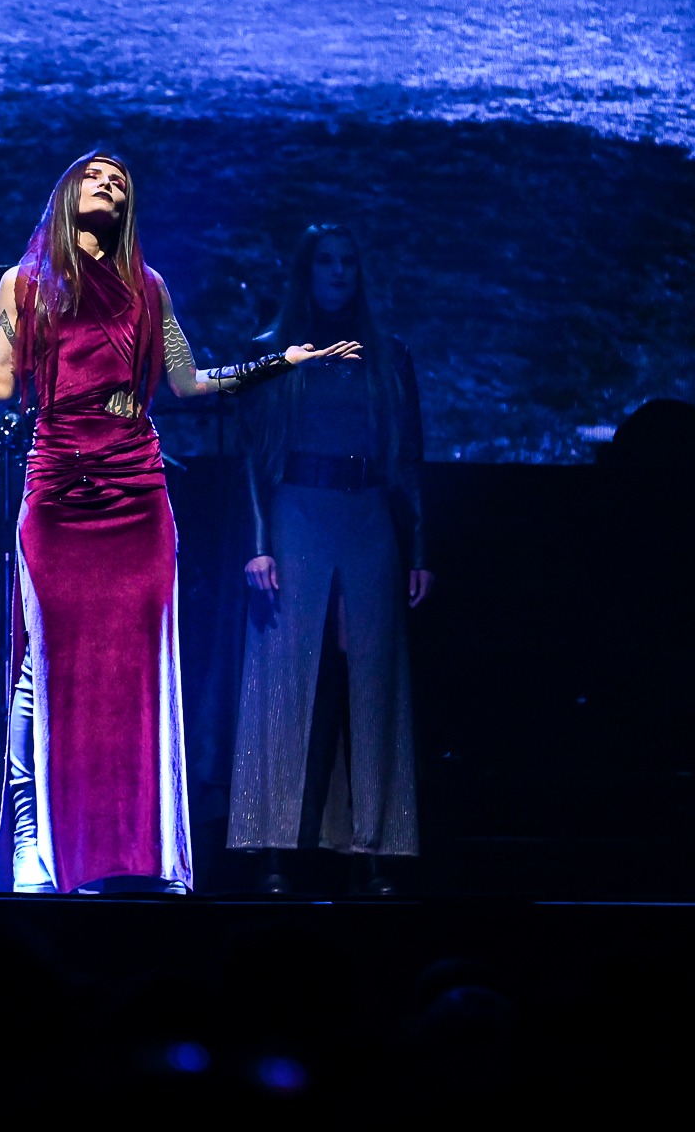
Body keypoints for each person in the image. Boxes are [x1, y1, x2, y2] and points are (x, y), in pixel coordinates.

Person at [0, 150, 358, 894]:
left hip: (136, 494)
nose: (108, 186)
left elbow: (188, 381)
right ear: (66, 193)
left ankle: (146, 855)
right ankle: (39, 853)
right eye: (95, 177)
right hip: (59, 492)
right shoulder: (23, 284)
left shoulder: (149, 288)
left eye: (120, 183)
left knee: (140, 671)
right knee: (42, 670)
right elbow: (4, 384)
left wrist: (281, 360)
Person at [227, 223, 431, 894]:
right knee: (283, 678)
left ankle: (373, 843)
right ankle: (273, 846)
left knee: (373, 680)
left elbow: (406, 458)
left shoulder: (388, 356)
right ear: (307, 271)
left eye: (350, 261)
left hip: (368, 516)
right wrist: (258, 546)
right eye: (327, 262)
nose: (340, 273)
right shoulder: (274, 353)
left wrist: (417, 548)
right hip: (296, 512)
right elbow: (253, 460)